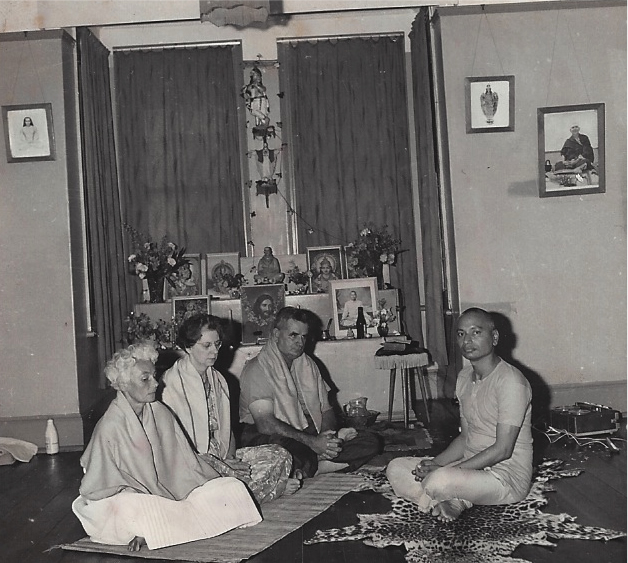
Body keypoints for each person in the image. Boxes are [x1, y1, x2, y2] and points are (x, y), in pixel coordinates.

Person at [72, 342, 261, 552]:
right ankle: (156, 528)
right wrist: (141, 493)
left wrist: (198, 487)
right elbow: (99, 486)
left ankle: (155, 531)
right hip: (123, 501)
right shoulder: (110, 425)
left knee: (231, 488)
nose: (155, 384)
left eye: (154, 376)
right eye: (145, 379)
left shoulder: (160, 411)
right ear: (123, 384)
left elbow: (188, 464)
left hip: (166, 495)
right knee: (135, 507)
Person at [386, 308, 533, 522]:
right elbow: (465, 438)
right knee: (396, 468)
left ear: (494, 337)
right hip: (469, 465)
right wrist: (433, 464)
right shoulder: (464, 376)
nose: (467, 340)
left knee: (438, 480)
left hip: (505, 477)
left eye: (476, 332)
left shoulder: (511, 382)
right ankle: (453, 499)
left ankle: (449, 496)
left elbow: (503, 450)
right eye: (461, 334)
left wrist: (443, 471)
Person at [162, 314, 300, 504]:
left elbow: (228, 430)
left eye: (217, 344)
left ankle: (242, 493)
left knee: (280, 454)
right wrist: (222, 465)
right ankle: (271, 488)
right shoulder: (171, 382)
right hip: (193, 463)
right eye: (207, 345)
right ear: (188, 347)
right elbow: (175, 445)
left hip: (221, 458)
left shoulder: (218, 379)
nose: (214, 351)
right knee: (219, 473)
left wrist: (230, 458)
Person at [239, 307, 383, 478]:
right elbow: (265, 424)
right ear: (276, 335)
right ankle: (314, 464)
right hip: (270, 436)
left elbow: (326, 410)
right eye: (293, 335)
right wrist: (313, 443)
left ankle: (309, 467)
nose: (300, 342)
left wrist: (327, 439)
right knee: (285, 451)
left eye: (304, 336)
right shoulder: (257, 368)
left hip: (307, 434)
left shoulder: (308, 365)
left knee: (371, 441)